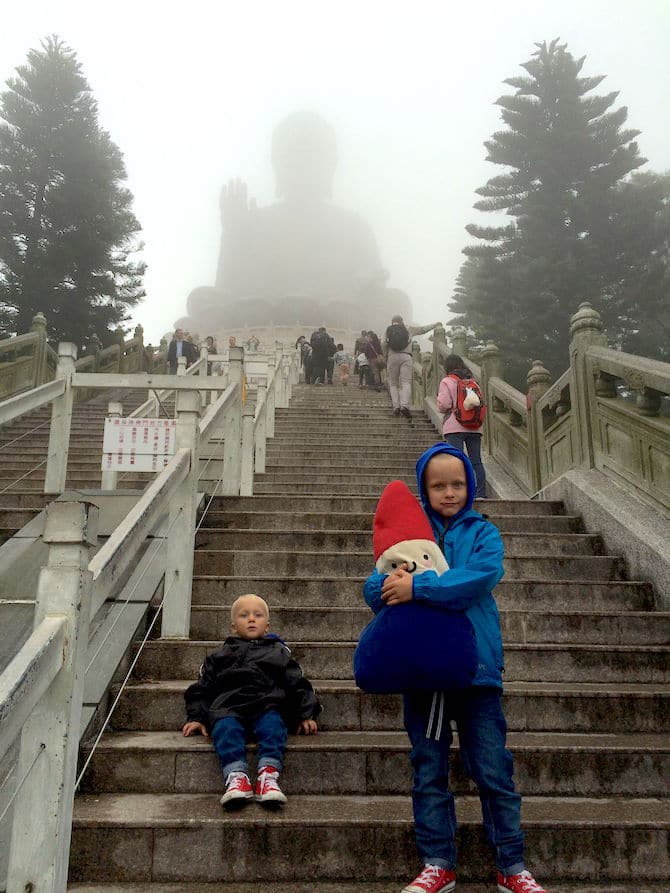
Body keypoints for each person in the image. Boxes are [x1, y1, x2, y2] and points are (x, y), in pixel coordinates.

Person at [362, 444, 548, 893]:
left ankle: (512, 864)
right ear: (424, 489)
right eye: (438, 485)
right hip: (424, 672)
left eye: (458, 484)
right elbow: (373, 587)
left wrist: (419, 585)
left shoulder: (484, 532)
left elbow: (480, 577)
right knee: (428, 767)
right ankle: (437, 862)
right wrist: (391, 583)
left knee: (492, 769)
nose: (449, 493)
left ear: (471, 485)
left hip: (477, 668)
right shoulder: (410, 533)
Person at [182, 594, 321, 809]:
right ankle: (237, 777)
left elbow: (297, 683)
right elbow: (203, 688)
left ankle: (268, 777)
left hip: (267, 705)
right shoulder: (219, 655)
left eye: (258, 615)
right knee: (225, 729)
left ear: (267, 626)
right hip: (229, 706)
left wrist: (306, 714)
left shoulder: (278, 652)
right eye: (244, 615)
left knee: (274, 726)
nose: (251, 619)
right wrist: (197, 717)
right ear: (233, 626)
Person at [438, 354, 487, 499]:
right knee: (476, 461)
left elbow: (444, 404)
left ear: (447, 367)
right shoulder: (473, 382)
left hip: (454, 427)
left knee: (456, 461)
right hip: (474, 426)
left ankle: (460, 493)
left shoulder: (447, 381)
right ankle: (481, 494)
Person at [384, 315, 439, 417]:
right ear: (402, 321)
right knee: (406, 383)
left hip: (392, 357)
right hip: (406, 357)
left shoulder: (389, 330)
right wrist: (434, 325)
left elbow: (384, 344)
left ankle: (396, 406)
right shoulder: (408, 328)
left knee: (393, 383)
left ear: (392, 322)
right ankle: (405, 405)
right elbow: (423, 329)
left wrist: (384, 357)